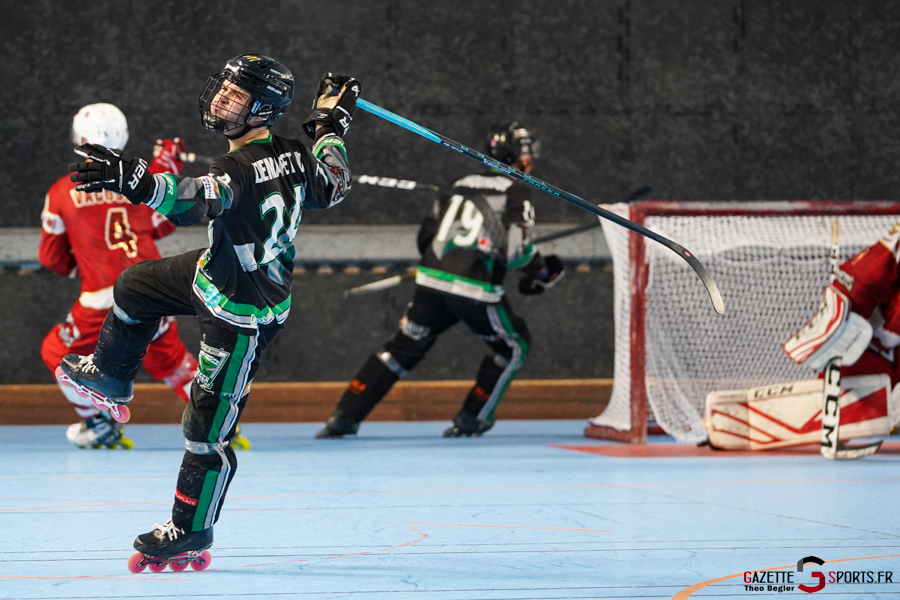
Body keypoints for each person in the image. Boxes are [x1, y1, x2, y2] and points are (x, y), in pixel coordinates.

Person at [64, 55, 358, 566]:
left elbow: (190, 201)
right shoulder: (295, 154)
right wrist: (331, 124)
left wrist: (132, 179)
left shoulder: (235, 168)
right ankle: (110, 374)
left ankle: (189, 530)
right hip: (213, 274)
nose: (221, 97)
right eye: (222, 87)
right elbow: (333, 181)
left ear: (261, 108)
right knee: (136, 283)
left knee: (207, 431)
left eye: (236, 94)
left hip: (243, 311)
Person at [316, 122, 564, 439]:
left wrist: (446, 264)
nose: (530, 163)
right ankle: (472, 419)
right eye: (527, 156)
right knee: (514, 345)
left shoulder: (458, 183)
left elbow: (426, 239)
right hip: (474, 290)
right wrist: (543, 270)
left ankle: (344, 416)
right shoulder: (516, 190)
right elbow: (515, 253)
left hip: (430, 284)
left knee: (401, 350)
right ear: (517, 157)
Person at [39, 103, 198, 450]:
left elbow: (51, 259)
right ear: (124, 136)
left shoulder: (61, 191)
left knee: (55, 352)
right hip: (153, 292)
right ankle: (220, 423)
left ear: (78, 139)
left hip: (100, 300)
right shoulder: (138, 184)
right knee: (172, 363)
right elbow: (166, 220)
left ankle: (97, 424)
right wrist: (168, 164)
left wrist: (77, 263)